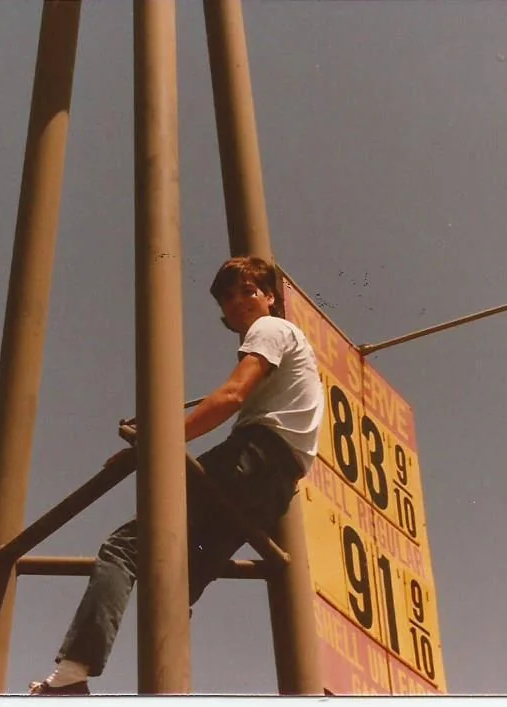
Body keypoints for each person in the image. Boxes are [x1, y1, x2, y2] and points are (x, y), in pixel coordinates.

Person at [29, 256, 324, 695]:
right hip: (275, 489)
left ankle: (73, 672)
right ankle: (168, 690)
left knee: (126, 549)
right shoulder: (289, 350)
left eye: (249, 290)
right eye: (229, 296)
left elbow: (230, 395)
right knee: (176, 583)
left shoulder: (272, 329)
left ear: (271, 298)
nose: (239, 301)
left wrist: (156, 444)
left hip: (253, 459)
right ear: (222, 311)